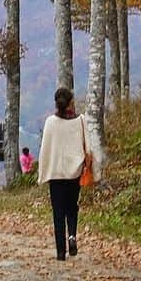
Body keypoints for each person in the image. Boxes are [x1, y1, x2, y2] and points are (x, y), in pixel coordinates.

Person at [37, 87, 92, 261]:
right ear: (70, 103)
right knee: (72, 208)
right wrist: (88, 166)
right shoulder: (80, 121)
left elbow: (45, 149)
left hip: (55, 174)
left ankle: (61, 251)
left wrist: (43, 172)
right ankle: (72, 237)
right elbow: (88, 148)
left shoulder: (50, 122)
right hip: (74, 172)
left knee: (58, 212)